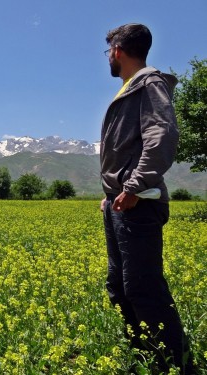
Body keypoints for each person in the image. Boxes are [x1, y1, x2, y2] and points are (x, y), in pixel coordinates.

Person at [99, 23, 195, 373]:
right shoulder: (130, 87)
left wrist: (134, 186)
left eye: (108, 50)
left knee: (143, 288)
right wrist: (111, 194)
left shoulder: (149, 83)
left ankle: (173, 364)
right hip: (120, 203)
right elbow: (127, 148)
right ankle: (143, 357)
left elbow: (162, 136)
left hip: (139, 203)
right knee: (120, 286)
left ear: (119, 50)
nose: (108, 56)